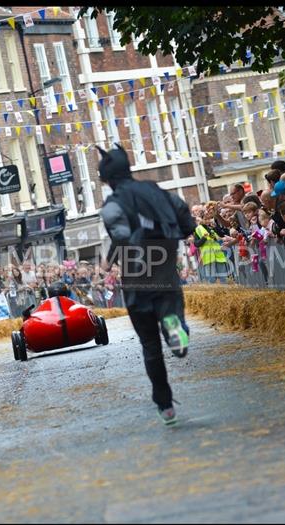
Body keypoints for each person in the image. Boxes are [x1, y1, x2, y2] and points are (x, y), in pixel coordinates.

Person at [97, 144, 196, 426]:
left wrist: (115, 256)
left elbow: (122, 236)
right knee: (170, 315)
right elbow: (185, 219)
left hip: (136, 280)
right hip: (165, 272)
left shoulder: (112, 205)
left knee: (150, 346)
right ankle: (175, 329)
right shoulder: (157, 191)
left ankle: (165, 406)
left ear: (107, 180)